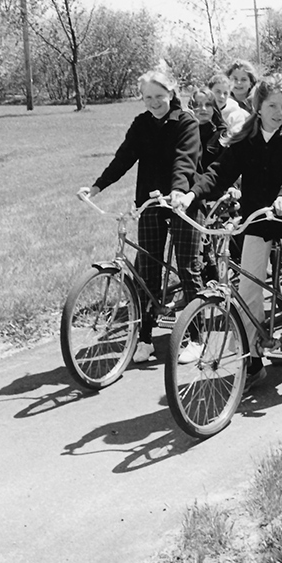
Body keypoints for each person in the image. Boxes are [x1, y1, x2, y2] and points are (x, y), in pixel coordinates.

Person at [171, 76, 282, 400]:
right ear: (257, 106)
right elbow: (219, 172)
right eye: (272, 105)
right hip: (257, 219)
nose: (278, 111)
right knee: (247, 292)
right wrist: (191, 195)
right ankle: (254, 362)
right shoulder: (245, 139)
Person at [79, 62, 202, 364]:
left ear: (171, 92)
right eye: (147, 98)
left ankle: (196, 336)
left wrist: (177, 191)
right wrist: (96, 187)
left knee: (188, 267)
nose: (154, 103)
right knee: (146, 269)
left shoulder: (186, 122)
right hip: (150, 202)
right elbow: (123, 158)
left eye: (159, 96)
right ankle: (144, 337)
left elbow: (185, 161)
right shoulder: (141, 123)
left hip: (182, 202)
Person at [209, 72, 249, 137]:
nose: (222, 96)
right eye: (218, 92)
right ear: (209, 91)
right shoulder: (202, 110)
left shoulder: (236, 115)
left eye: (225, 93)